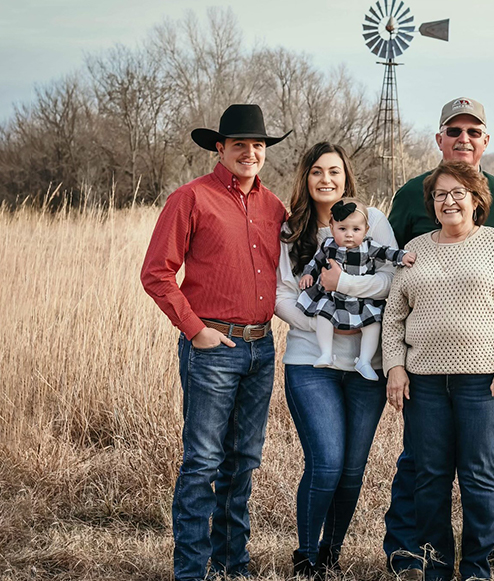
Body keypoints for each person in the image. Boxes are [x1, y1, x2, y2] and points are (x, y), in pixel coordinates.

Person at [140, 103, 291, 581]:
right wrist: (195, 330)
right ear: (220, 149)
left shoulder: (274, 207)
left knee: (243, 460)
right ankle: (190, 571)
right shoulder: (190, 198)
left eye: (259, 145)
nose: (250, 153)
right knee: (203, 459)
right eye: (240, 145)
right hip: (213, 347)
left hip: (262, 348)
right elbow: (156, 274)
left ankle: (233, 564)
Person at [385, 97, 494, 578]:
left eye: (459, 194)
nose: (450, 200)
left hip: (483, 381)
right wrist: (396, 367)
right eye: (441, 195)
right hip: (424, 381)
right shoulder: (414, 248)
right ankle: (434, 563)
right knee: (429, 477)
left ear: (477, 199)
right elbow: (394, 315)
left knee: (482, 476)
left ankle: (480, 565)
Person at [274, 142, 395, 577]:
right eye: (317, 172)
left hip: (368, 365)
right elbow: (282, 296)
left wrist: (346, 286)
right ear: (305, 178)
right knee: (326, 460)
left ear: (346, 177)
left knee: (351, 469)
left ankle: (331, 554)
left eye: (335, 172)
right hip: (311, 360)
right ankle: (306, 556)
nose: (326, 179)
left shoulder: (373, 220)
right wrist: (324, 321)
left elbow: (390, 280)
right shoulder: (292, 231)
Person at [297, 198, 416, 381]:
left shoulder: (368, 246)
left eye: (356, 229)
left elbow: (387, 252)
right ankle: (326, 353)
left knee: (374, 323)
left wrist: (403, 256)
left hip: (361, 299)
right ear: (332, 227)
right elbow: (315, 262)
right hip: (333, 298)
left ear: (366, 230)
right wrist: (308, 274)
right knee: (323, 315)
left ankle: (364, 360)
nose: (349, 235)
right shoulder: (328, 246)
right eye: (342, 229)